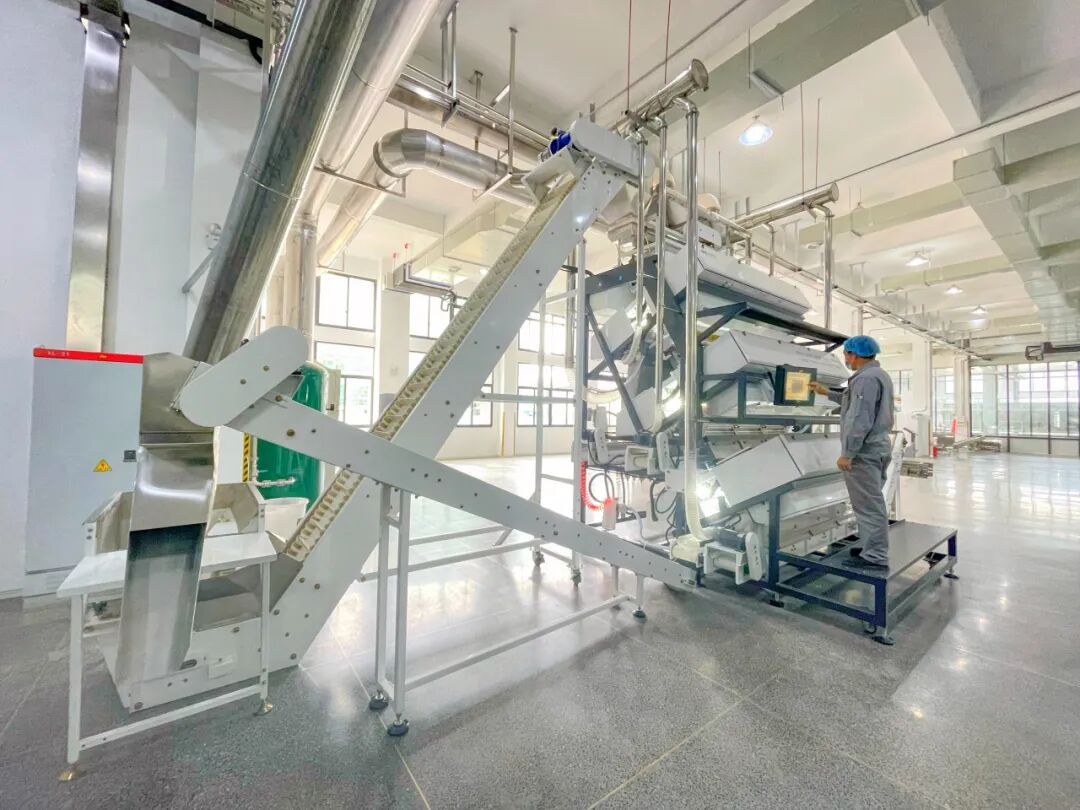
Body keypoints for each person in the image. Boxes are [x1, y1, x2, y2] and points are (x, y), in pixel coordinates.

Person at [809, 335, 895, 571]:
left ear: (853, 354)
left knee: (868, 505)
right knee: (871, 501)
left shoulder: (865, 379)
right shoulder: (878, 375)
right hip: (877, 448)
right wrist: (826, 392)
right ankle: (870, 547)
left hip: (864, 453)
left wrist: (848, 453)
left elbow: (859, 418)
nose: (846, 359)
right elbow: (854, 402)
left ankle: (875, 556)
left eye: (846, 355)